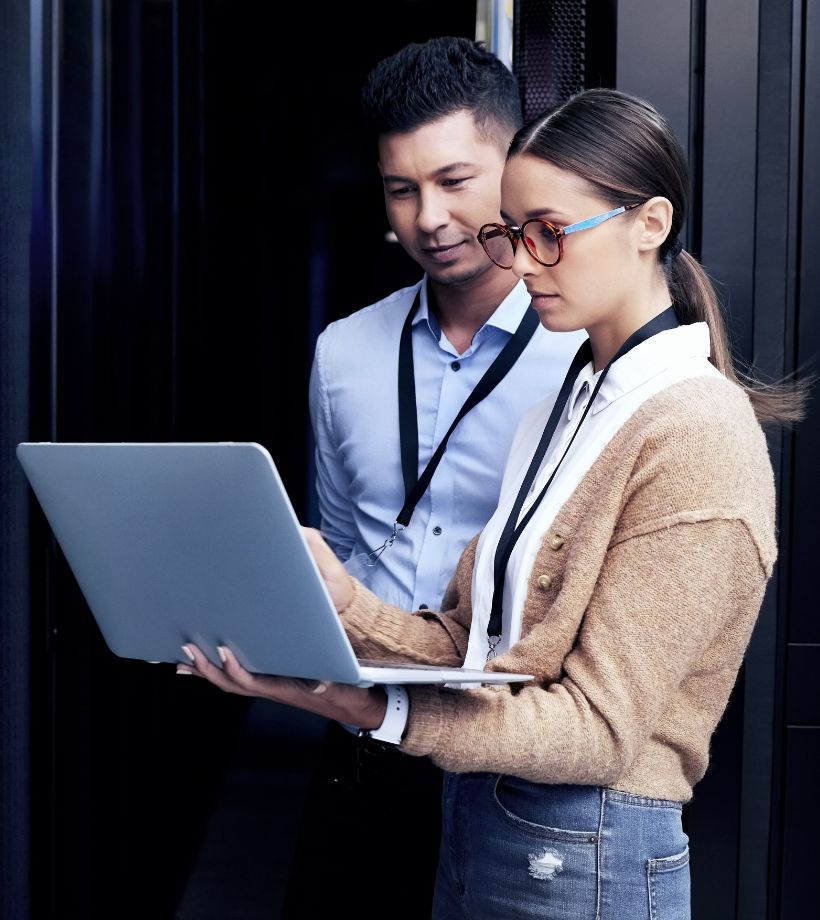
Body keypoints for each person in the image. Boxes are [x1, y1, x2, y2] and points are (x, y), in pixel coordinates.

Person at [178, 87, 808, 919]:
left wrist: (372, 706)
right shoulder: (576, 398)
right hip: (489, 822)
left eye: (549, 233)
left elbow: (598, 730)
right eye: (513, 234)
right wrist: (343, 603)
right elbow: (476, 646)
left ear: (648, 223)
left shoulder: (697, 430)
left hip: (591, 850)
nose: (522, 261)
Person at [282, 36, 585, 919]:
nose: (430, 218)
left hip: (513, 745)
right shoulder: (342, 353)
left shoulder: (582, 352)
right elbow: (340, 545)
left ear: (518, 167)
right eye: (402, 188)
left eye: (455, 181)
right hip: (362, 735)